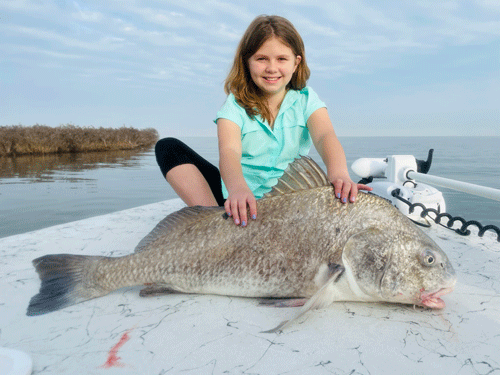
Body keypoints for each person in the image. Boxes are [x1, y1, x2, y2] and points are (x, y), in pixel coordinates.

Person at [155, 15, 371, 227]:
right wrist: (237, 190)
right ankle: (214, 223)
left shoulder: (306, 99)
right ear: (247, 62)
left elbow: (325, 136)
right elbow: (229, 151)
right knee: (167, 147)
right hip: (238, 201)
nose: (272, 68)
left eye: (281, 59)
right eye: (261, 59)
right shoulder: (234, 106)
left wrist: (339, 173)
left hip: (290, 200)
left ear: (296, 63)